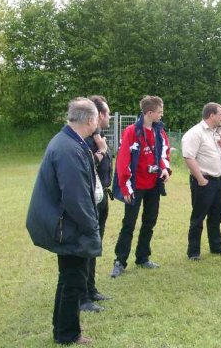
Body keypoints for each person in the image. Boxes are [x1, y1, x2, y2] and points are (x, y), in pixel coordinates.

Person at [26, 97, 101, 345]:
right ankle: (68, 335)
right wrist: (92, 228)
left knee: (68, 278)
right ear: (90, 120)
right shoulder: (69, 148)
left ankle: (63, 331)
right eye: (96, 119)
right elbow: (76, 197)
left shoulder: (67, 141)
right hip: (68, 227)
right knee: (73, 281)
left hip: (65, 224)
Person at [110, 95, 171, 278]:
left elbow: (165, 153)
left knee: (149, 222)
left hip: (153, 185)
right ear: (150, 113)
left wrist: (165, 169)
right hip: (136, 186)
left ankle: (143, 257)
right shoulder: (131, 131)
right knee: (128, 224)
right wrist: (126, 188)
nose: (162, 115)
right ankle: (120, 261)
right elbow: (123, 161)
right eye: (159, 112)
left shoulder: (159, 131)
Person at [182, 102, 221, 261]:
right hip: (204, 180)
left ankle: (216, 246)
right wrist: (201, 179)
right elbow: (188, 157)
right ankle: (193, 252)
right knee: (198, 217)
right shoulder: (196, 133)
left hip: (219, 181)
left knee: (217, 215)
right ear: (212, 115)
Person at [78, 95, 112, 312]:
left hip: (101, 199)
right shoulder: (86, 142)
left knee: (95, 245)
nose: (109, 117)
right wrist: (101, 150)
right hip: (89, 201)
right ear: (98, 116)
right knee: (87, 247)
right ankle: (83, 297)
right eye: (107, 113)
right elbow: (87, 167)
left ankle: (91, 289)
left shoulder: (98, 137)